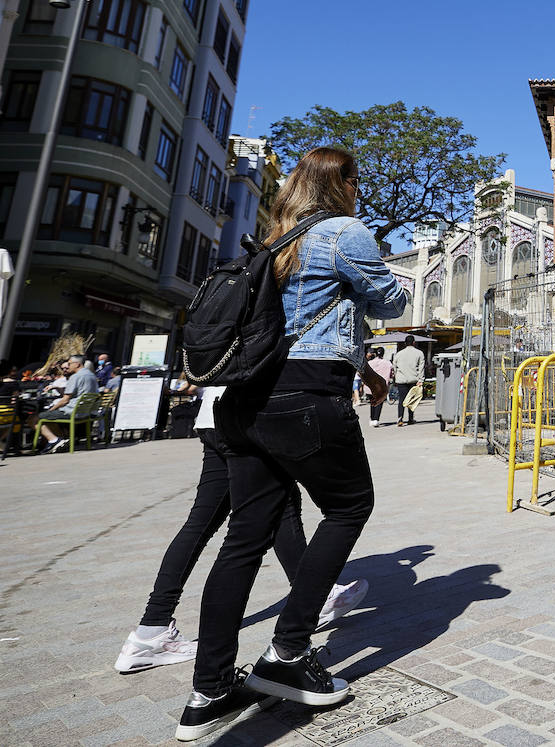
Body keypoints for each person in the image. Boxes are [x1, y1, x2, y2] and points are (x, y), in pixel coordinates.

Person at [173, 147, 406, 742]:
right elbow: (391, 302)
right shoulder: (343, 232)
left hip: (245, 400)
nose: (360, 189)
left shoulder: (274, 241)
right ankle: (287, 649)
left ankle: (210, 690)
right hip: (306, 393)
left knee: (243, 540)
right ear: (344, 184)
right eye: (357, 179)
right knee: (350, 506)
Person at [116, 384, 371, 674]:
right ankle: (316, 600)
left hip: (214, 415)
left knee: (204, 522)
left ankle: (151, 628)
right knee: (276, 508)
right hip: (251, 413)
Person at [34, 355, 99, 453]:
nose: (68, 366)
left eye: (69, 364)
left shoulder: (76, 376)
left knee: (35, 418)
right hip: (85, 412)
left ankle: (54, 441)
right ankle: (62, 441)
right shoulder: (91, 375)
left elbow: (65, 400)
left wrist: (51, 409)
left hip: (72, 412)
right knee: (49, 416)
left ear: (77, 364)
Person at [392, 335, 425, 427]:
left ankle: (400, 419)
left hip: (401, 379)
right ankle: (410, 419)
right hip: (413, 379)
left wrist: (395, 378)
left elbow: (394, 367)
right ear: (414, 342)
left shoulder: (398, 354)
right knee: (411, 400)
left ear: (405, 343)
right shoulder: (419, 353)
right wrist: (421, 379)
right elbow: (421, 368)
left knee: (401, 400)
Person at [364, 348, 393, 427]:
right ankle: (376, 419)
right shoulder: (388, 363)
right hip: (382, 386)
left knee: (372, 402)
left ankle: (372, 418)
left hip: (370, 386)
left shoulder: (369, 363)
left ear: (375, 354)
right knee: (379, 402)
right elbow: (391, 374)